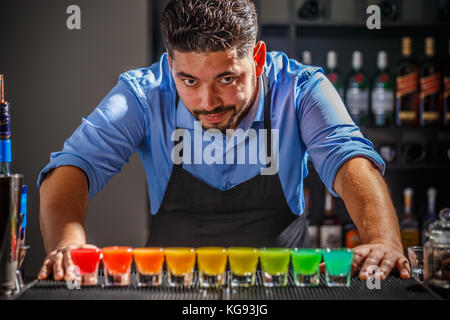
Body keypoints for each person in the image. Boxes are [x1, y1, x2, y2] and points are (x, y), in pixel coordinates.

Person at [37, 0, 410, 282]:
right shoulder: (142, 94)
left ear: (258, 58)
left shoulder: (300, 89)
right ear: (170, 66)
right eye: (189, 81)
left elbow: (350, 161)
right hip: (170, 285)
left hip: (281, 285)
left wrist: (384, 241)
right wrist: (67, 245)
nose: (208, 102)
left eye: (227, 79)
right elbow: (74, 165)